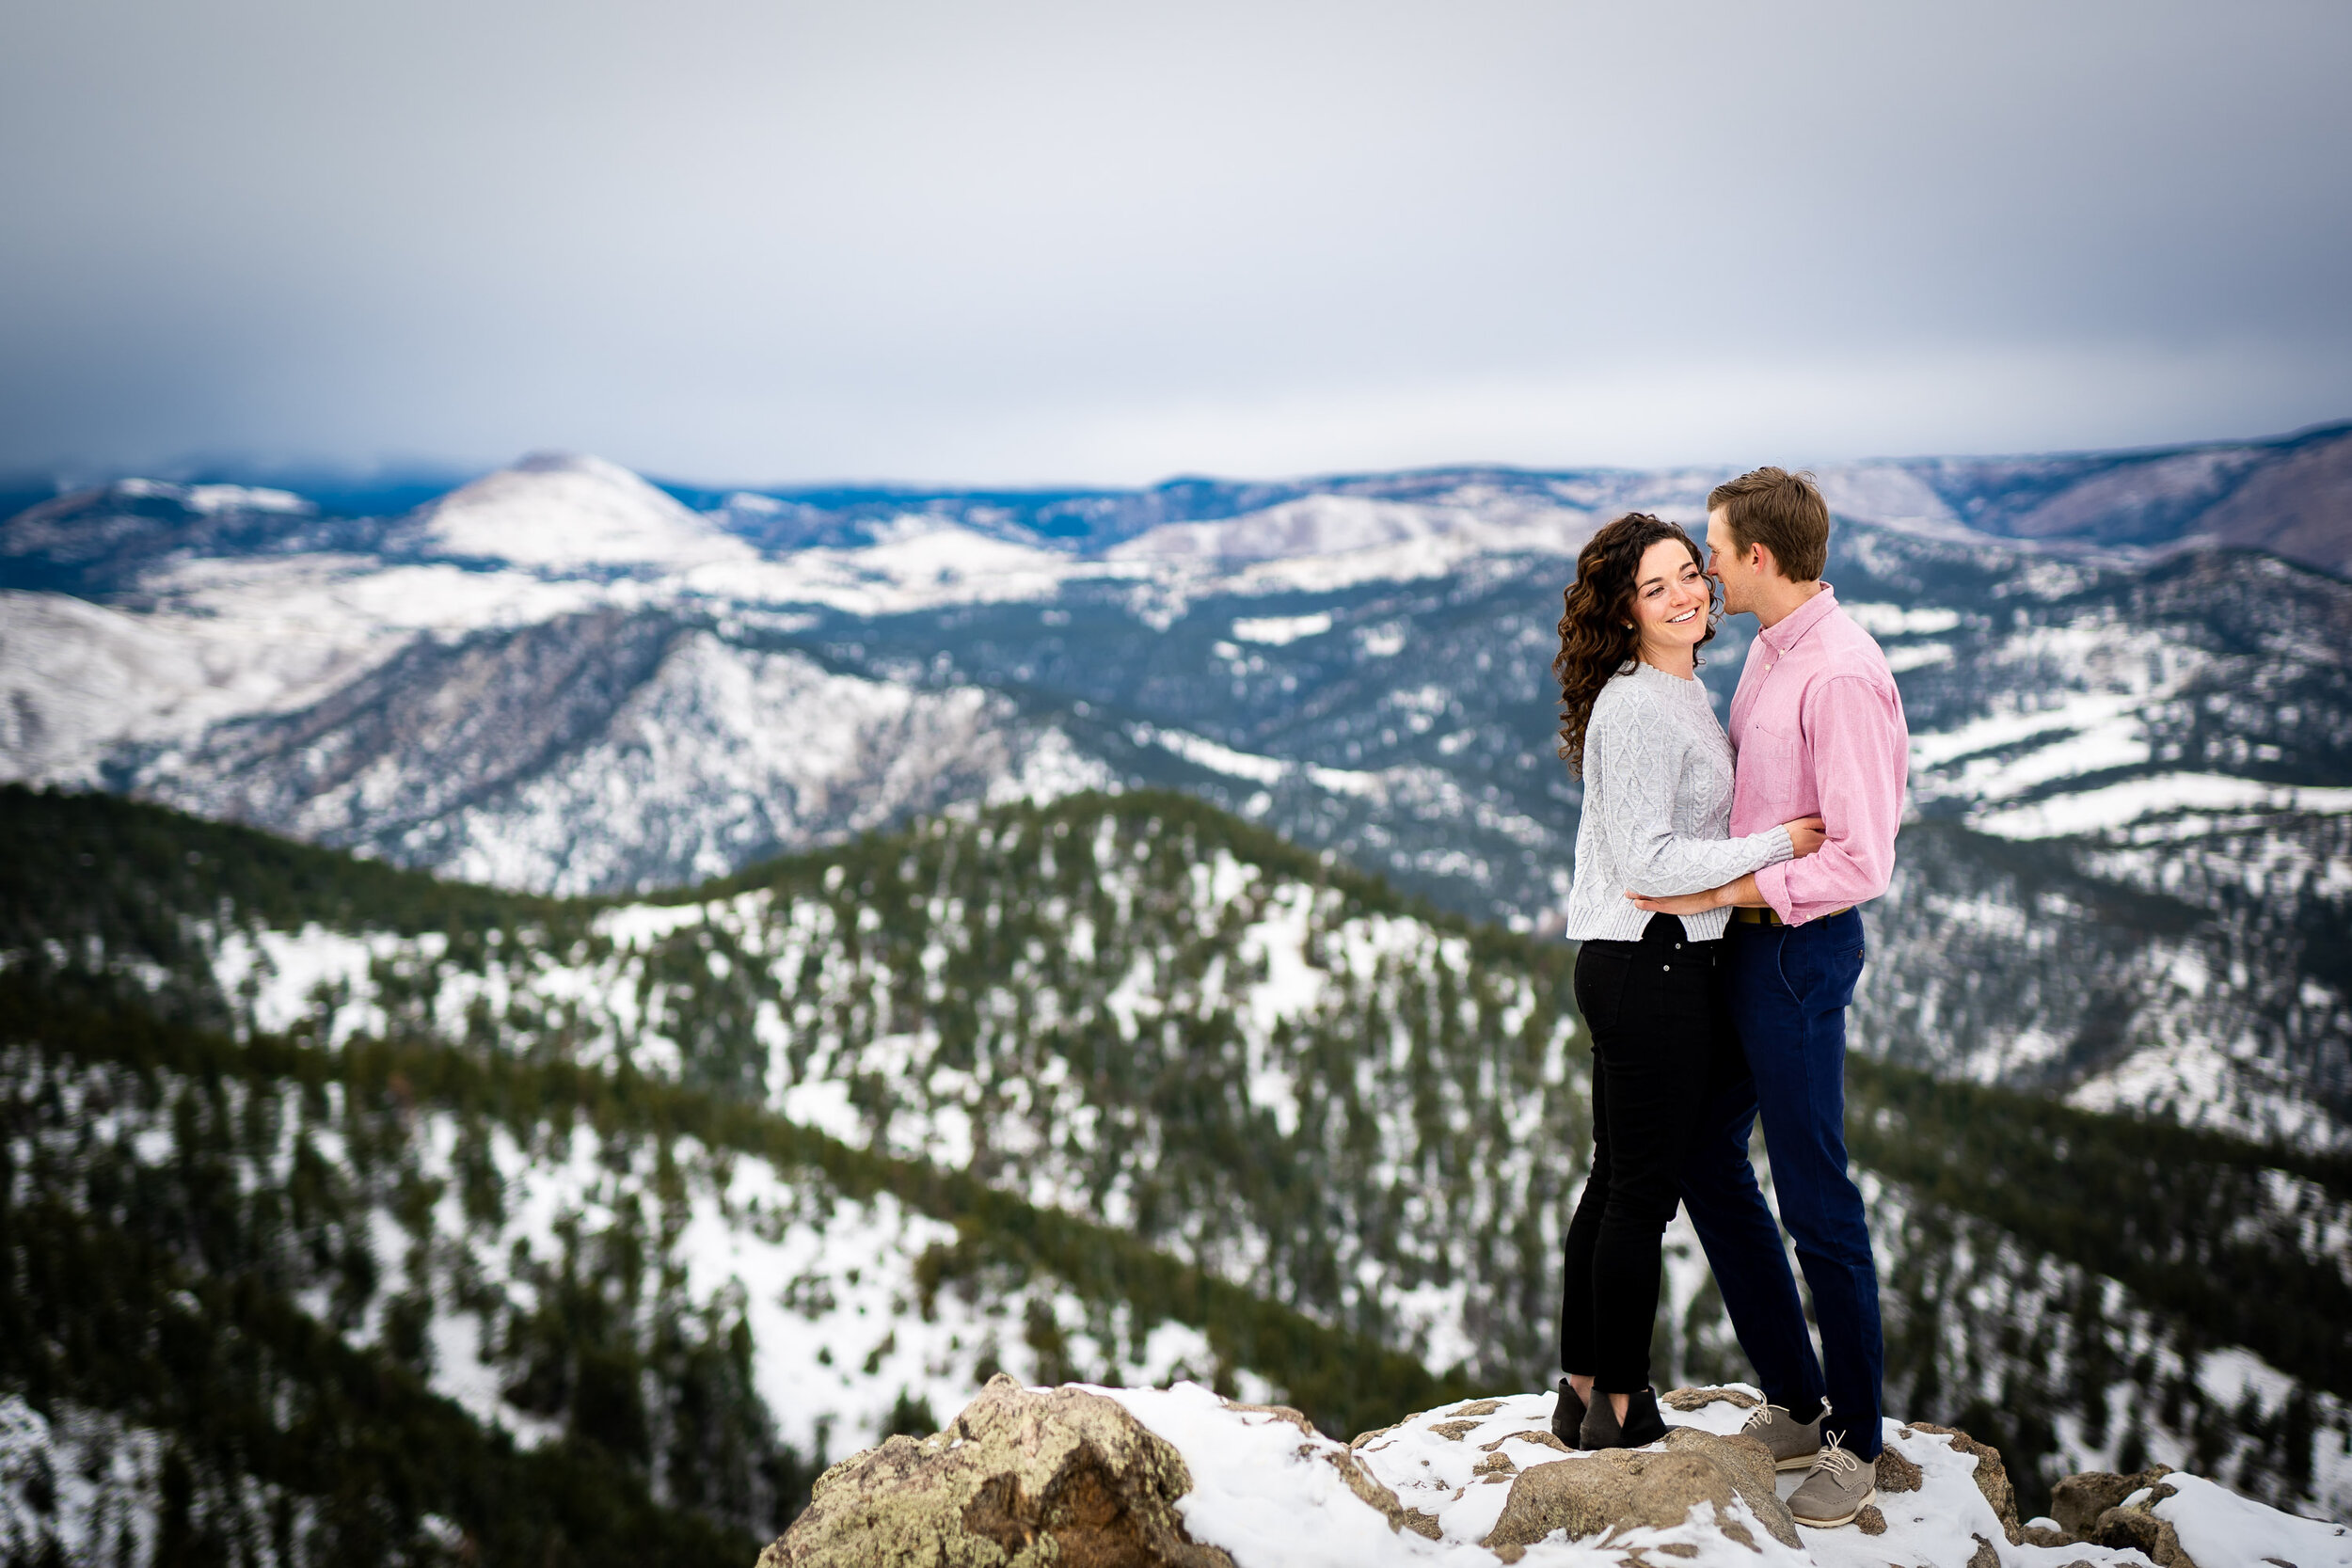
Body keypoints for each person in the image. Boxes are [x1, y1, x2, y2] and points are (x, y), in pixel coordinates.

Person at [1627, 467, 1909, 1528]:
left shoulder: (1836, 674)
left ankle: (1856, 1434)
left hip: (1796, 950)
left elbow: (1861, 855)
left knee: (1815, 1195)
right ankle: (1795, 1396)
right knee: (1704, 1153)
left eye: (1712, 547)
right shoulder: (1765, 654)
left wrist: (1730, 884)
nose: (1701, 567)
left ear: (1758, 556)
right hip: (1742, 951)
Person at [1547, 512, 1825, 1451]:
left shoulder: (1674, 690)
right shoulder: (1635, 705)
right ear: (1626, 610)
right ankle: (1621, 1404)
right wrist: (1777, 850)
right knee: (1640, 1194)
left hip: (1641, 956)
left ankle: (1581, 1381)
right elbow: (1647, 860)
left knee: (1612, 1176)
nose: (1682, 594)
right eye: (1655, 585)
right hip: (1650, 958)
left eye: (1686, 575)